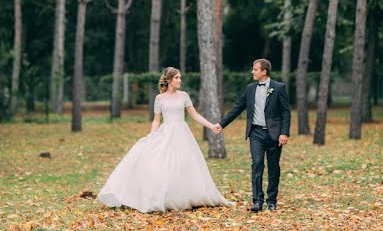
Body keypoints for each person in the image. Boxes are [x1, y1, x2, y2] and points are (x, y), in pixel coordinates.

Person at [98, 66, 232, 213]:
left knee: (184, 164)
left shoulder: (184, 95)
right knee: (163, 164)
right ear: (168, 80)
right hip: (166, 132)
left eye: (180, 77)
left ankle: (185, 196)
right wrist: (152, 135)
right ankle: (163, 198)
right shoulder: (159, 98)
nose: (179, 80)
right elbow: (156, 120)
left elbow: (195, 115)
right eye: (176, 78)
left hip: (182, 133)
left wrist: (212, 126)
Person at [215, 58, 290, 212]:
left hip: (274, 134)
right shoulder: (250, 88)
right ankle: (257, 201)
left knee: (273, 167)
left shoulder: (279, 88)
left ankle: (271, 201)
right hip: (255, 133)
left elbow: (285, 112)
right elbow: (238, 107)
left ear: (264, 71)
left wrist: (284, 133)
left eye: (255, 69)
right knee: (257, 164)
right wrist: (221, 124)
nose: (252, 72)